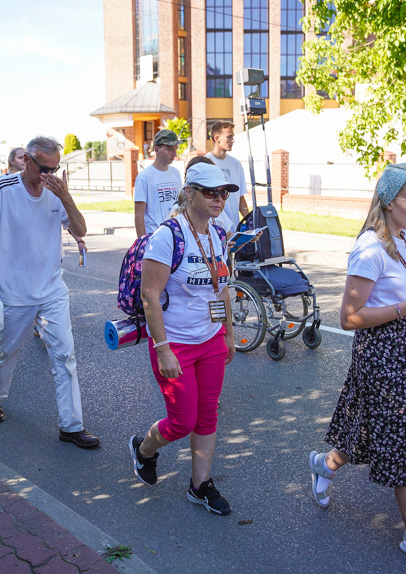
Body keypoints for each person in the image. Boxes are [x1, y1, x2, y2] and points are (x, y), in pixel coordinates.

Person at [308, 163, 406, 566]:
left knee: (364, 430)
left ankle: (323, 464)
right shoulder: (370, 248)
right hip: (380, 353)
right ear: (389, 201)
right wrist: (404, 308)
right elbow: (348, 318)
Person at [0, 136, 99, 448]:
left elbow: (79, 230)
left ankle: (71, 426)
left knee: (65, 356)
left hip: (52, 290)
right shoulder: (2, 190)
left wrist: (66, 198)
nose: (48, 175)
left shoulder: (56, 191)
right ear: (26, 159)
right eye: (43, 168)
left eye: (55, 168)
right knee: (3, 353)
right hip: (11, 292)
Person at [129, 162, 236, 515]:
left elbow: (221, 291)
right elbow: (150, 296)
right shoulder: (168, 236)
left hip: (210, 340)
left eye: (223, 192)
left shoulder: (218, 235)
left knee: (208, 415)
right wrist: (162, 350)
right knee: (182, 421)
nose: (219, 198)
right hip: (174, 343)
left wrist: (228, 335)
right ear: (189, 193)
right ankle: (144, 448)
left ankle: (199, 485)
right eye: (211, 192)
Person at [134, 129, 181, 237]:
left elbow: (180, 205)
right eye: (169, 149)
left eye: (175, 149)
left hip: (176, 235)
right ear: (157, 149)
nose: (174, 154)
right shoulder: (144, 177)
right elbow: (138, 215)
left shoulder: (176, 173)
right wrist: (142, 242)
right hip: (154, 236)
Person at [205, 121, 250, 233]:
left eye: (233, 137)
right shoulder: (205, 163)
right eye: (229, 137)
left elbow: (240, 197)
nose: (233, 140)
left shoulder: (236, 164)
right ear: (217, 138)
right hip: (212, 231)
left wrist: (250, 222)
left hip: (234, 230)